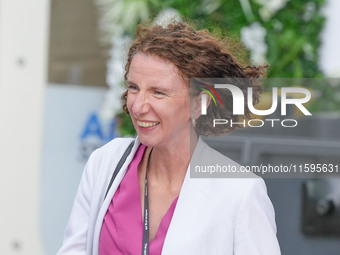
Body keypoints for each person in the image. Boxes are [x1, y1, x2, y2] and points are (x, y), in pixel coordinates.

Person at [57, 21, 281, 255]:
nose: (138, 106)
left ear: (199, 104)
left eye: (158, 92)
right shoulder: (105, 162)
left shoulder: (240, 192)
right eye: (134, 87)